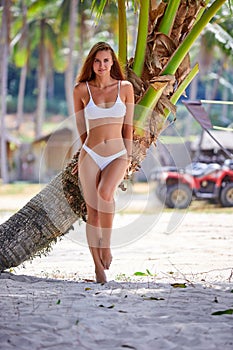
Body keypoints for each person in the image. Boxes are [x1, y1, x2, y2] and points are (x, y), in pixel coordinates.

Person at [72, 42, 134, 283]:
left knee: (105, 193)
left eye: (106, 61)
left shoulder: (125, 87)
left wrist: (127, 157)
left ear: (112, 63)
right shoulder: (81, 90)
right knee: (92, 213)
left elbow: (128, 127)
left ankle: (106, 247)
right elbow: (81, 130)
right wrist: (83, 155)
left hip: (118, 154)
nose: (101, 65)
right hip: (90, 154)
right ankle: (98, 268)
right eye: (97, 61)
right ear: (92, 63)